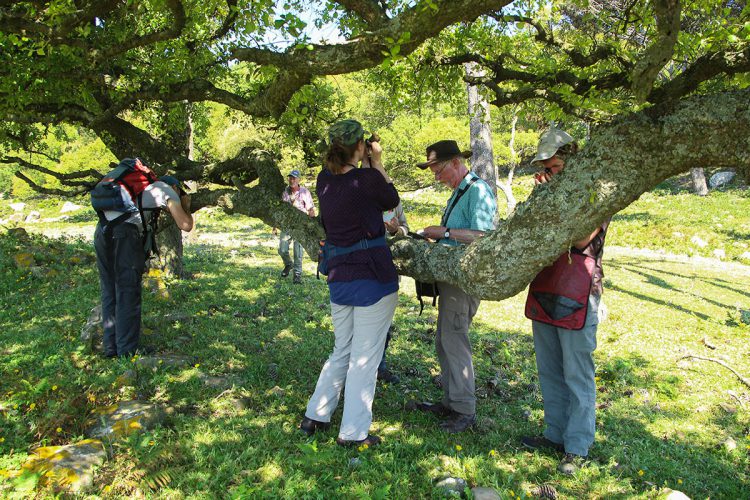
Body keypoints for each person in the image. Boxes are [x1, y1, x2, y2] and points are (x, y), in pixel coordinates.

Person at [300, 119, 400, 448]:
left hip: (340, 277)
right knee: (365, 357)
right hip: (372, 277)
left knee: (342, 349)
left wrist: (366, 163)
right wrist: (378, 162)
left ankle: (316, 414)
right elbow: (390, 199)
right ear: (360, 146)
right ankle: (354, 433)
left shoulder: (323, 180)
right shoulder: (367, 180)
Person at [521, 128, 610, 475]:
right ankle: (554, 434)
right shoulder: (546, 193)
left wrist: (555, 199)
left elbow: (581, 238)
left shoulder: (595, 193)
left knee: (577, 374)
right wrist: (541, 199)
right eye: (545, 167)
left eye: (554, 166)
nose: (548, 173)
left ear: (570, 161)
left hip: (578, 292)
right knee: (549, 370)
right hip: (547, 288)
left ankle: (577, 446)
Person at [415, 140, 497, 433]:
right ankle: (450, 401)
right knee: (444, 339)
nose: (437, 177)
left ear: (454, 163)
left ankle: (464, 409)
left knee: (455, 339)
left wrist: (445, 232)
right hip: (452, 278)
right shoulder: (459, 192)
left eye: (438, 170)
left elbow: (484, 236)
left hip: (465, 280)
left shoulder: (477, 191)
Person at [94, 173, 193, 358]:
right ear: (176, 188)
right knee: (128, 292)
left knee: (109, 290)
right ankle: (127, 351)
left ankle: (111, 348)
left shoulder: (138, 190)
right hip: (124, 236)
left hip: (102, 232)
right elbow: (186, 224)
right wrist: (185, 207)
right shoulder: (165, 190)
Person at [378, 202, 410, 384]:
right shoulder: (357, 194)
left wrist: (396, 230)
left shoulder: (392, 200)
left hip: (388, 271)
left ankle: (380, 366)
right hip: (363, 270)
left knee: (385, 324)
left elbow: (405, 229)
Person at [277, 169, 316, 284]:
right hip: (287, 225)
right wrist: (276, 226)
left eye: (294, 178)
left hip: (301, 226)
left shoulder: (305, 192)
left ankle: (297, 276)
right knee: (282, 249)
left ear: (299, 179)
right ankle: (288, 264)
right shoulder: (285, 191)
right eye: (290, 177)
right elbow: (282, 209)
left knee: (298, 252)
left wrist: (311, 225)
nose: (291, 180)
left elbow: (310, 209)